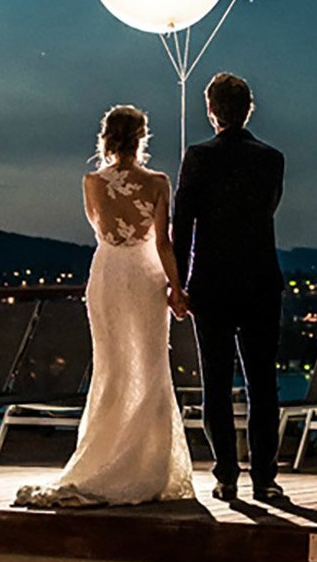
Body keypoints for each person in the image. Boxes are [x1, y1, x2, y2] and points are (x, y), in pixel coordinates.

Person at [13, 105, 194, 508]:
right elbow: (163, 242)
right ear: (141, 137)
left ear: (108, 137)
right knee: (149, 366)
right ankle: (145, 463)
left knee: (111, 367)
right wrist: (178, 289)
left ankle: (105, 453)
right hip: (146, 275)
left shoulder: (92, 181)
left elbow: (99, 228)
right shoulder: (159, 182)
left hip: (108, 274)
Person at [173, 72, 286, 502]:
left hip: (212, 284)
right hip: (260, 280)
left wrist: (178, 284)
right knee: (263, 384)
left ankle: (225, 476)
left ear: (210, 110)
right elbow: (269, 208)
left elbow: (183, 227)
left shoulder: (198, 157)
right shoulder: (271, 158)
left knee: (216, 384)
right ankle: (265, 478)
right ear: (249, 108)